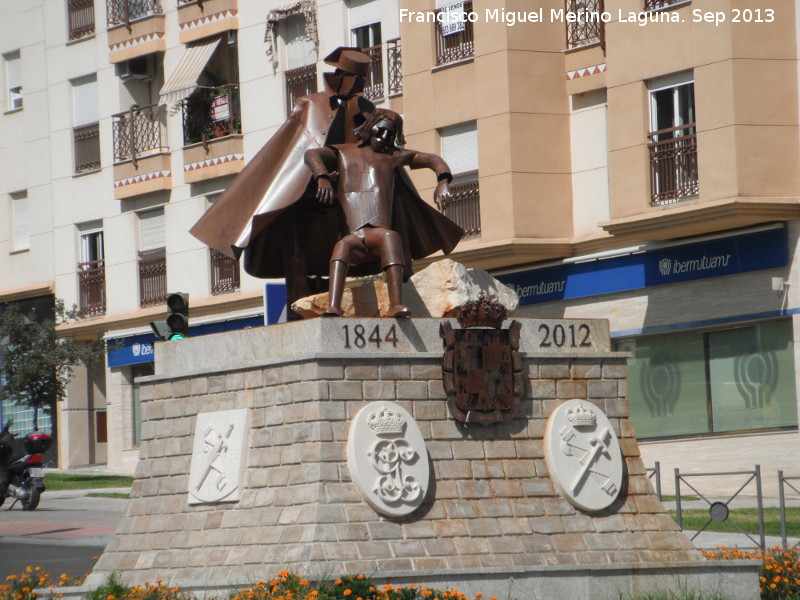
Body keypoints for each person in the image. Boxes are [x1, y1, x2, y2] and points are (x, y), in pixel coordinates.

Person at [189, 47, 376, 319]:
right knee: (296, 251)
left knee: (346, 247)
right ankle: (298, 309)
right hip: (302, 191)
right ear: (340, 75)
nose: (359, 85)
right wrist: (320, 176)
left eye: (362, 79)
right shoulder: (311, 104)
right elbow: (293, 146)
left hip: (348, 193)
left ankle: (334, 303)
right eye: (354, 78)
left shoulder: (367, 109)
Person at [304, 109, 458, 317]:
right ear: (370, 126)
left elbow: (431, 159)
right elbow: (312, 154)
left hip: (378, 233)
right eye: (382, 130)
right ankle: (334, 306)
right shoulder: (343, 152)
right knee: (342, 246)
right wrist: (321, 177)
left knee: (390, 236)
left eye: (391, 135)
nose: (385, 137)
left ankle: (395, 305)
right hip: (355, 236)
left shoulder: (392, 157)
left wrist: (443, 180)